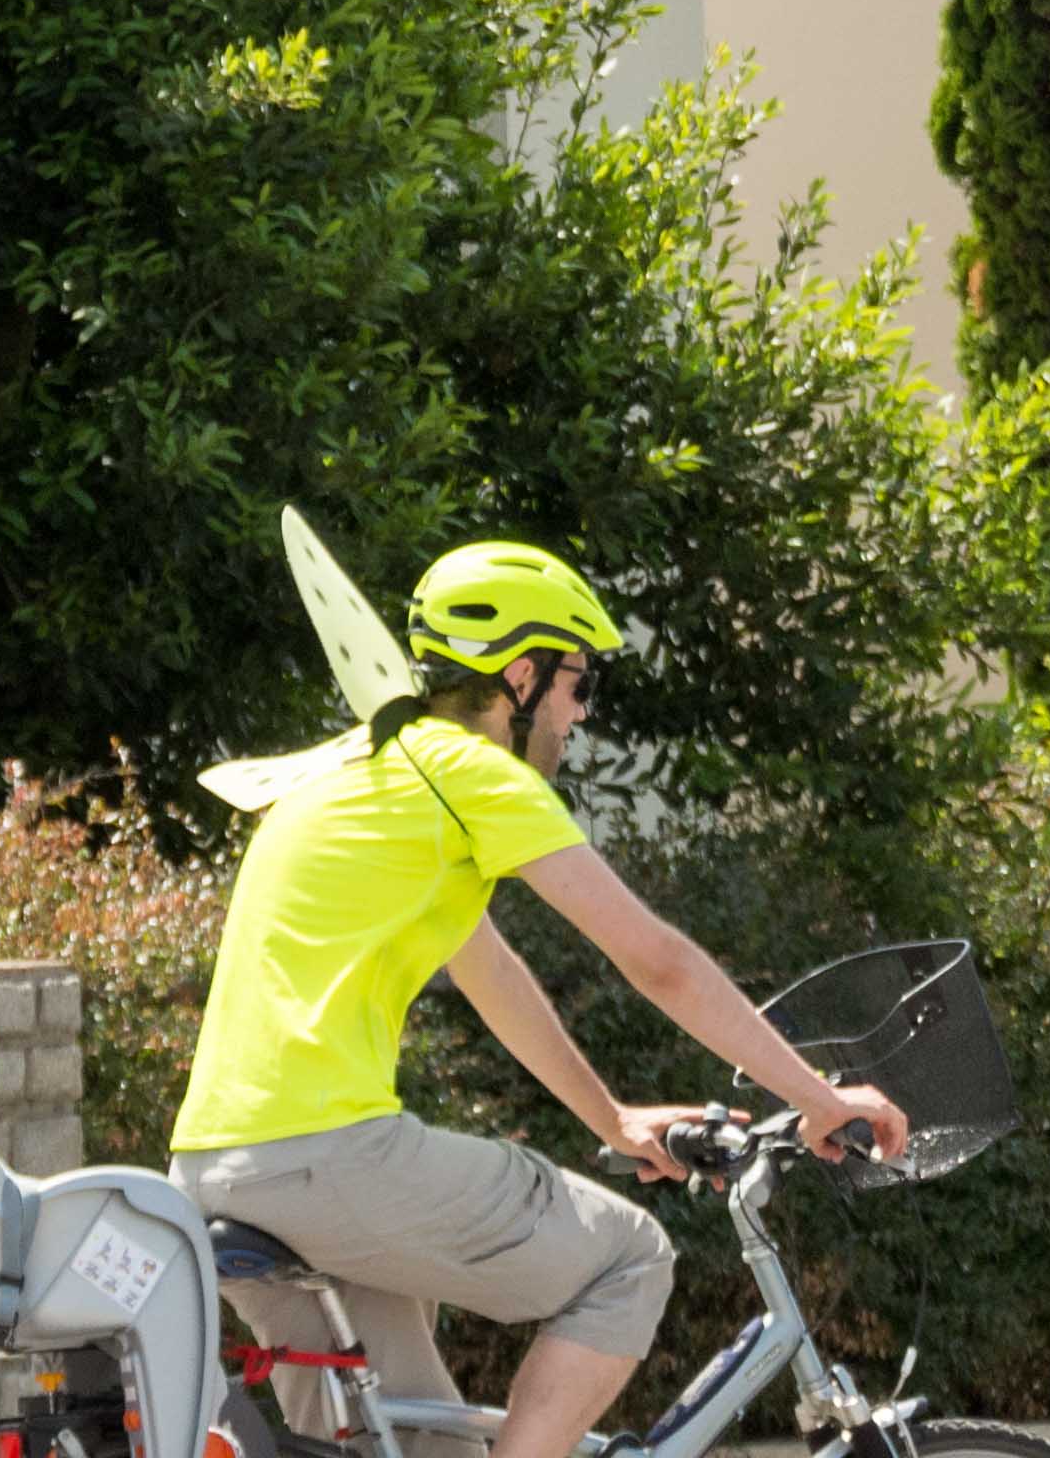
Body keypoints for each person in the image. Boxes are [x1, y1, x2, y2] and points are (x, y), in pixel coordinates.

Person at [168, 543, 911, 1458]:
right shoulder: (468, 771)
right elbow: (658, 962)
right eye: (577, 684)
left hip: (215, 1168)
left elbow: (489, 970)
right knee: (629, 1258)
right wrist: (817, 1096)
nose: (579, 715)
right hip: (329, 1157)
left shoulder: (367, 772)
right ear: (520, 676)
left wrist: (613, 1117)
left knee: (413, 1446)